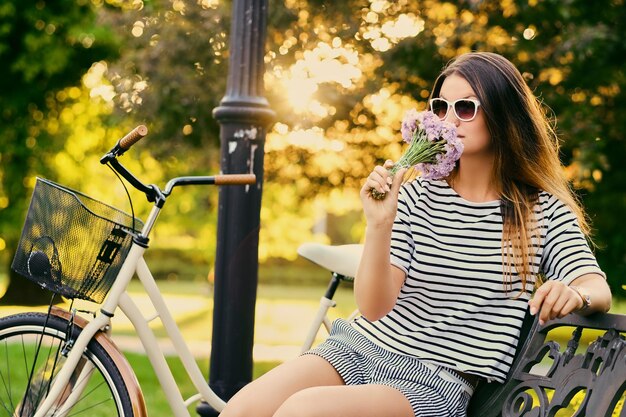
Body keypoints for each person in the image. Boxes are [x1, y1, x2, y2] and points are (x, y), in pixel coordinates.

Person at [219, 52, 612, 417]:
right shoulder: (416, 193)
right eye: (440, 107)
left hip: (435, 381)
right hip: (358, 347)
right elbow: (374, 308)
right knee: (239, 411)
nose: (448, 118)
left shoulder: (538, 212)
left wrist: (576, 293)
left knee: (304, 411)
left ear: (504, 115)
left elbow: (596, 285)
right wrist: (379, 223)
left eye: (466, 107)